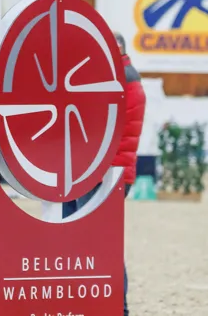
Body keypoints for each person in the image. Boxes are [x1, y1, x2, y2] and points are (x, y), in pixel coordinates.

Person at [62, 31, 145, 316]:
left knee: (98, 243)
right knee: (78, 240)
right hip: (92, 171)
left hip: (102, 173)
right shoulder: (119, 77)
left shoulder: (119, 80)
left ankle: (117, 308)